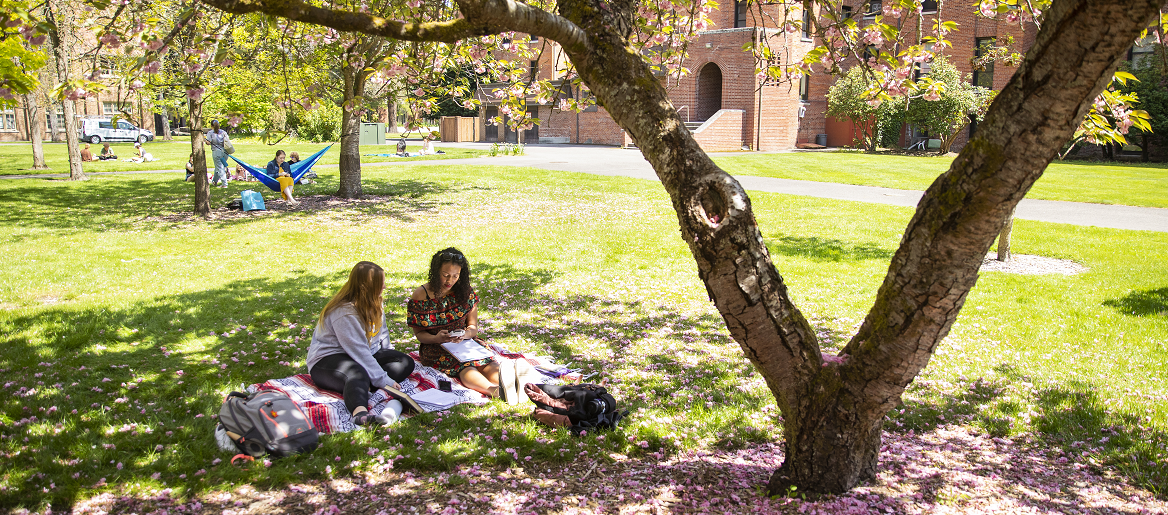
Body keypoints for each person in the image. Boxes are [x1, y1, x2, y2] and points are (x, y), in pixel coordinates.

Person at [307, 261, 417, 427]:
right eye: (381, 284)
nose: (385, 287)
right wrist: (383, 379)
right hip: (329, 359)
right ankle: (360, 414)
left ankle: (365, 383)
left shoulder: (376, 301)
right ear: (366, 287)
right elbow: (357, 351)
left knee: (405, 362)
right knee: (357, 373)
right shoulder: (344, 312)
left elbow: (382, 334)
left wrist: (388, 356)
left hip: (364, 354)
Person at [407, 248, 502, 398]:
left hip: (464, 343)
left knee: (486, 362)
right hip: (435, 347)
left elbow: (473, 328)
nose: (449, 281)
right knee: (465, 367)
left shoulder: (465, 291)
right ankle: (495, 391)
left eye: (455, 276)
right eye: (445, 275)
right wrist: (436, 338)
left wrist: (465, 334)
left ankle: (509, 384)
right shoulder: (421, 295)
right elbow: (419, 334)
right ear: (435, 271)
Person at [205, 119, 230, 188]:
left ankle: (224, 184)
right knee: (219, 167)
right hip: (225, 152)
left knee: (220, 167)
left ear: (211, 126)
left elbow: (208, 143)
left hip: (217, 152)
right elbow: (227, 141)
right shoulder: (223, 132)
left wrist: (204, 140)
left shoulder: (210, 133)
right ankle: (215, 181)